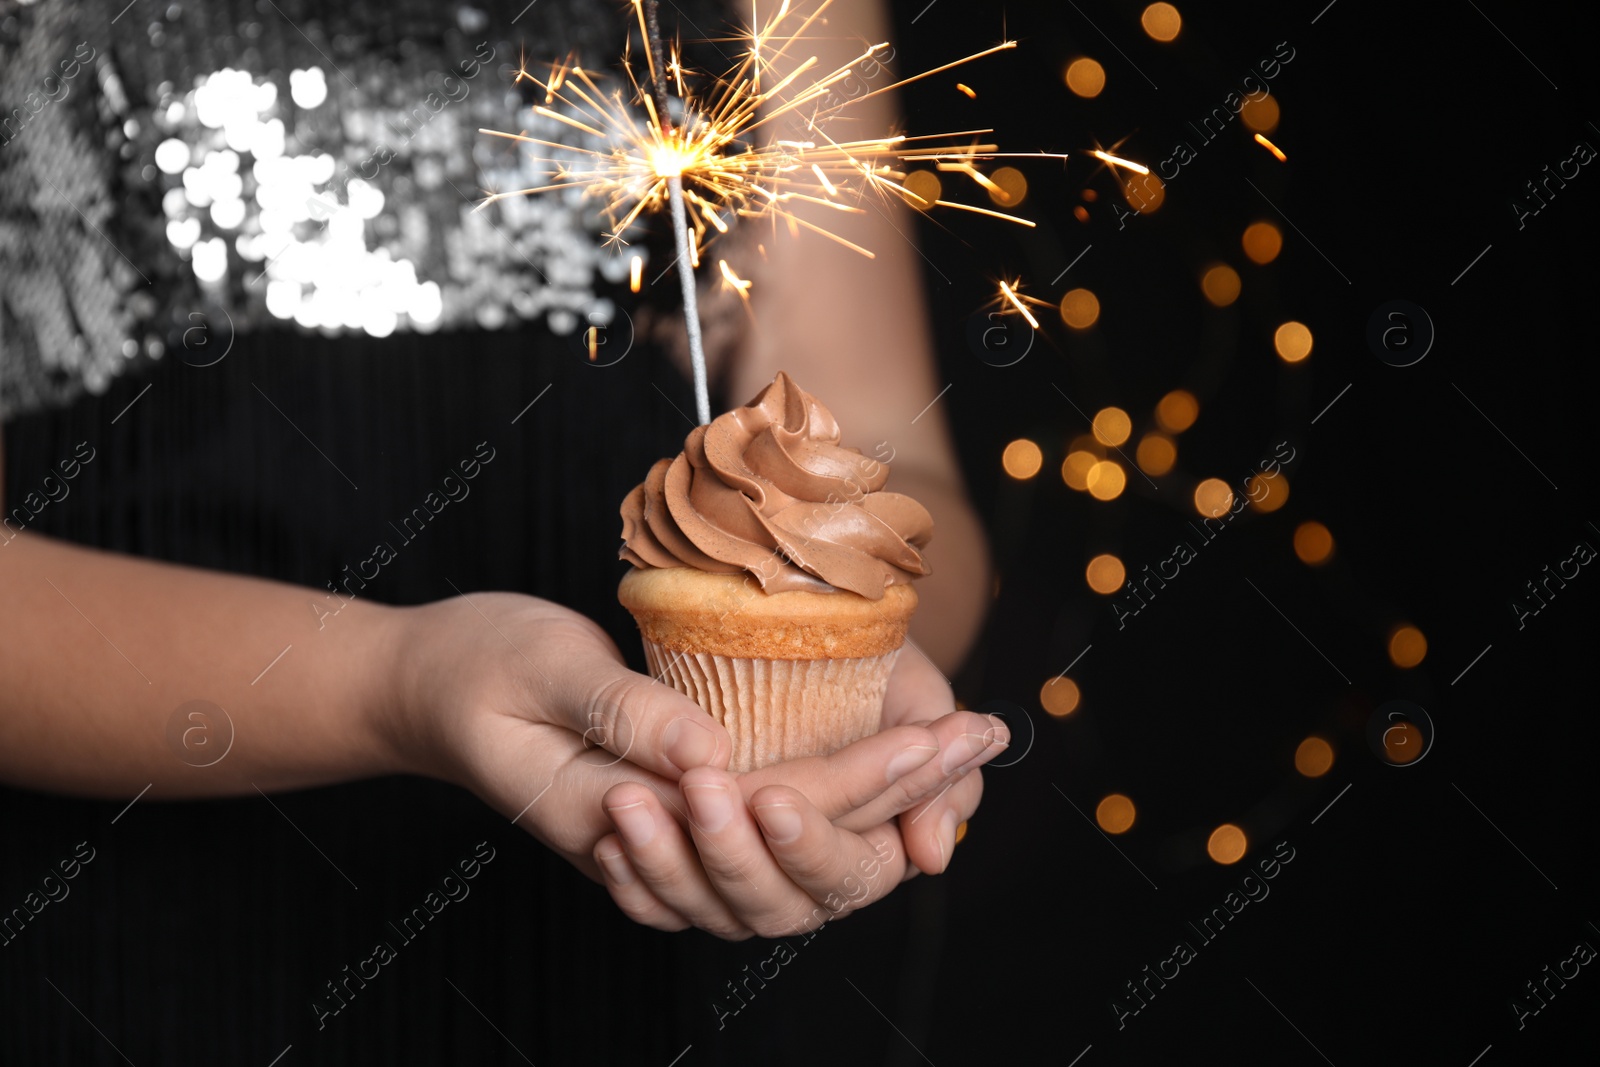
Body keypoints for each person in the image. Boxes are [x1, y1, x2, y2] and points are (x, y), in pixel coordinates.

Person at [1, 0, 998, 1059]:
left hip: (646, 979)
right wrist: (398, 680)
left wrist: (864, 666)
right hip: (134, 941)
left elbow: (889, 440)